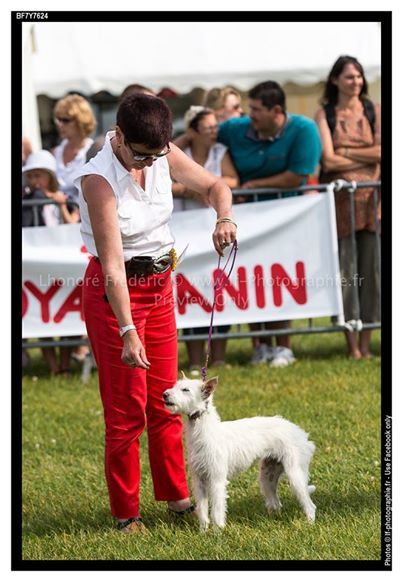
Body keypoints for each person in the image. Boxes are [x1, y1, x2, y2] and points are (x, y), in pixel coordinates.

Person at [73, 93, 237, 533]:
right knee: (126, 411)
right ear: (119, 137)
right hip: (114, 296)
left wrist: (225, 218)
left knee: (167, 402)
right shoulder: (98, 179)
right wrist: (127, 330)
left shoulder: (163, 153)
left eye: (156, 156)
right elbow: (110, 267)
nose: (149, 164)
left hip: (160, 286)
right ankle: (126, 513)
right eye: (141, 156)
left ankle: (177, 497)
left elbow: (215, 186)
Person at [217, 81, 322, 366]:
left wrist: (252, 184)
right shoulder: (235, 129)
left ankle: (283, 346)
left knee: (280, 278)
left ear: (276, 110)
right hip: (247, 219)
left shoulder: (303, 130)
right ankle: (260, 346)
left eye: (256, 110)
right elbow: (202, 131)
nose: (249, 115)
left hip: (287, 219)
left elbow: (297, 175)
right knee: (252, 279)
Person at [315, 56, 381, 359]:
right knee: (347, 275)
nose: (355, 82)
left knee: (374, 274)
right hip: (339, 208)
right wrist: (368, 157)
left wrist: (347, 151)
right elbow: (328, 160)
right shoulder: (325, 114)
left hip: (372, 205)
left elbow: (385, 151)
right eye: (349, 77)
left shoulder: (374, 110)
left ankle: (367, 344)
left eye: (359, 76)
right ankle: (351, 346)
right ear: (335, 80)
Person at [172, 106, 239, 375]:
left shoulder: (220, 152)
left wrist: (208, 188)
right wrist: (190, 189)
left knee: (217, 292)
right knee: (189, 294)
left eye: (215, 127)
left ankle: (219, 357)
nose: (214, 132)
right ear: (193, 131)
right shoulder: (181, 153)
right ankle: (194, 357)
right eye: (208, 127)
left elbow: (232, 179)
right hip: (185, 230)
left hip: (212, 230)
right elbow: (160, 174)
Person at [22, 150, 79, 375]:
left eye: (40, 175)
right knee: (41, 314)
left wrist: (61, 204)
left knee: (70, 315)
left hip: (63, 263)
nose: (35, 181)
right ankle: (53, 367)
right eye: (32, 176)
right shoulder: (25, 202)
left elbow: (72, 223)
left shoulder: (65, 198)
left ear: (51, 177)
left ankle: (64, 365)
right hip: (38, 267)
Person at [53, 94, 97, 205]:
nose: (60, 125)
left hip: (82, 218)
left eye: (65, 120)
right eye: (58, 120)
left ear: (81, 121)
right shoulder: (54, 153)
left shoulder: (95, 152)